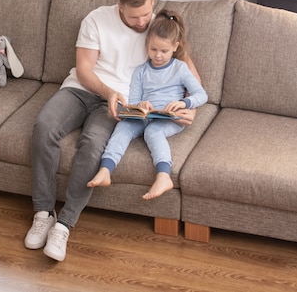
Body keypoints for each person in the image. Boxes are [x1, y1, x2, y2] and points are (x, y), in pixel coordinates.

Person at [25, 0, 201, 262]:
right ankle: (43, 212)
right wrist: (108, 92)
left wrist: (188, 106)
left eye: (146, 13)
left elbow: (190, 74)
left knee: (93, 146)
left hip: (121, 105)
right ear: (120, 7)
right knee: (44, 127)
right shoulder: (96, 20)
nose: (142, 22)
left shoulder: (158, 26)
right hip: (82, 91)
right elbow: (84, 70)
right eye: (135, 17)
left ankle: (64, 224)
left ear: (152, 1)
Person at [87, 10, 208, 200]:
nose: (158, 55)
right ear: (147, 45)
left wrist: (184, 103)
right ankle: (106, 169)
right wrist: (139, 106)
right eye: (153, 49)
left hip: (169, 118)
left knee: (153, 132)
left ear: (175, 47)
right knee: (124, 126)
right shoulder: (141, 71)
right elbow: (134, 100)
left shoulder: (180, 68)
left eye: (164, 51)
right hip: (147, 115)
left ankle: (163, 176)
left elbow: (201, 94)